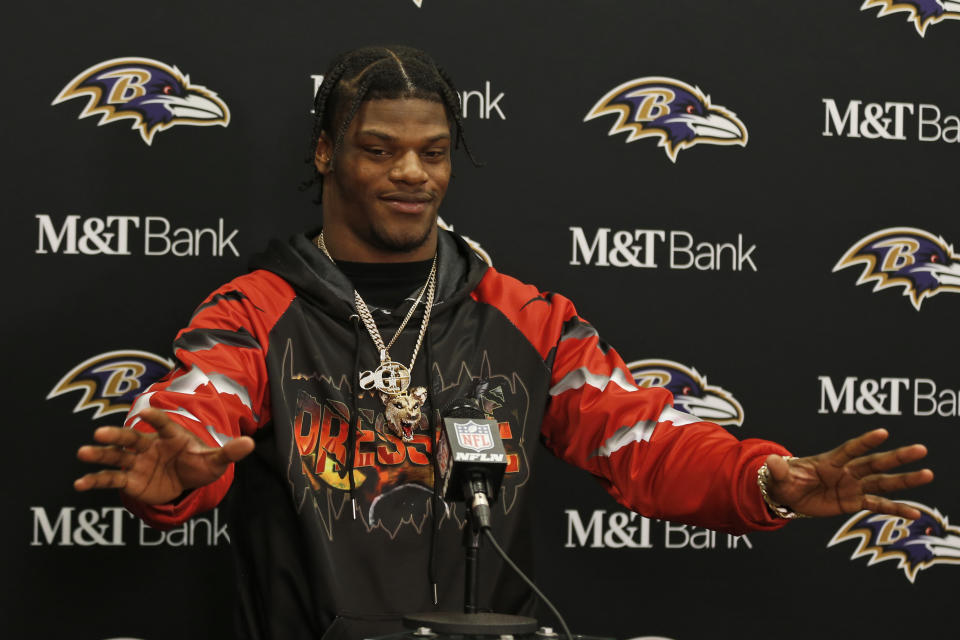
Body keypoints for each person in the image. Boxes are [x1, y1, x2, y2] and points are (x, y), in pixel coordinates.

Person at [74, 45, 933, 640]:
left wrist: (766, 480)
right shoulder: (256, 310)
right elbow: (193, 412)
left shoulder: (524, 315)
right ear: (328, 152)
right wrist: (177, 473)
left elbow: (647, 440)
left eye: (434, 152)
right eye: (381, 149)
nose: (412, 173)